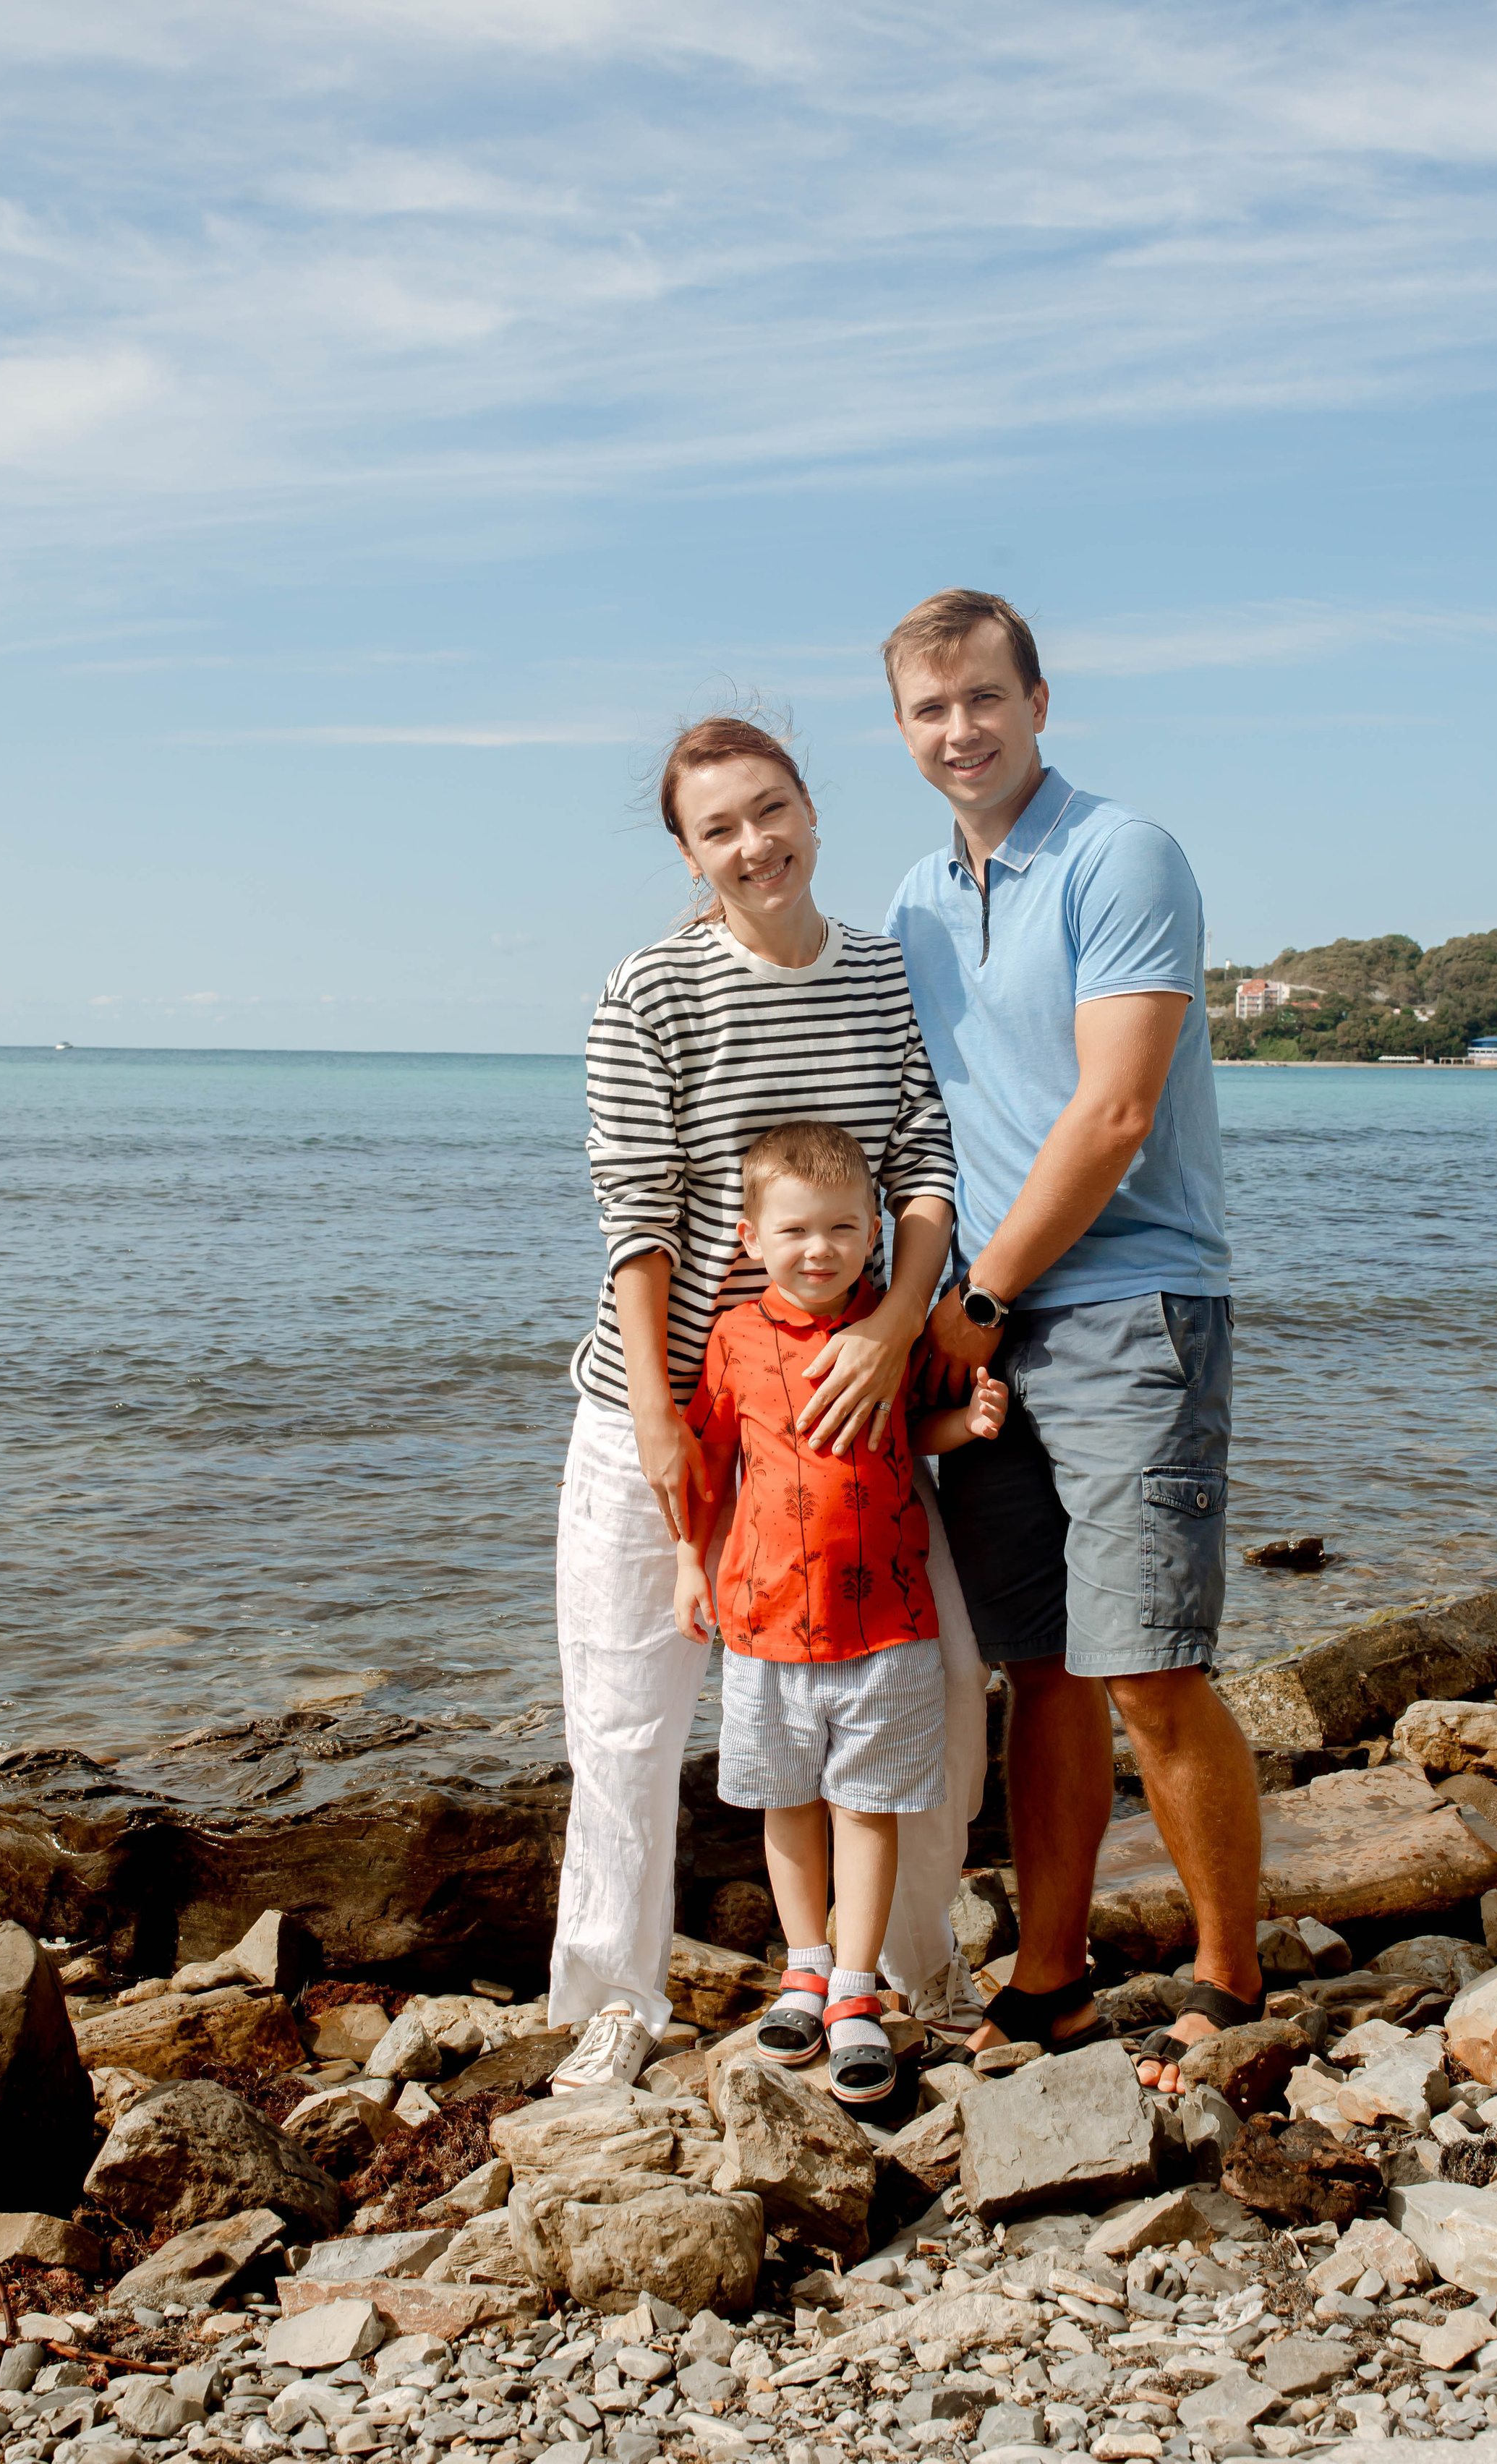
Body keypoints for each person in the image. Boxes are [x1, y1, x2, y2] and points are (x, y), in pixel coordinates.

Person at [547, 712, 990, 2092]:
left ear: (810, 809)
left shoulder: (882, 975)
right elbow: (637, 1217)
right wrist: (659, 1420)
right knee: (628, 1715)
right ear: (690, 856)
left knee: (935, 1689)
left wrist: (897, 1331)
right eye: (720, 829)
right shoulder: (650, 992)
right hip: (673, 1406)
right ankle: (616, 1998)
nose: (755, 844)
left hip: (849, 1413)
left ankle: (910, 1965)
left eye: (771, 809)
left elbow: (925, 1167)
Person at [883, 590, 1260, 2093]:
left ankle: (1228, 1978)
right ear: (901, 730)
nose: (960, 730)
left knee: (1148, 1666)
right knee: (1038, 1668)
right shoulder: (914, 900)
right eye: (930, 709)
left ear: (1038, 702)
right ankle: (1051, 1978)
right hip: (985, 1324)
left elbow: (1113, 1112)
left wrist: (974, 1301)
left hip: (1126, 1305)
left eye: (984, 697)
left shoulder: (1121, 854)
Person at [673, 1120, 1007, 2105]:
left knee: (867, 1807)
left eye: (842, 1229)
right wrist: (689, 1563)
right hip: (766, 1622)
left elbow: (912, 1432)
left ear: (875, 1232)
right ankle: (804, 1970)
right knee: (786, 1801)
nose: (818, 1249)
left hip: (889, 1623)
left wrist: (968, 1425)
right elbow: (709, 1460)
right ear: (750, 1238)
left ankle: (857, 1989)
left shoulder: (889, 1334)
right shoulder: (734, 1340)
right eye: (794, 1231)